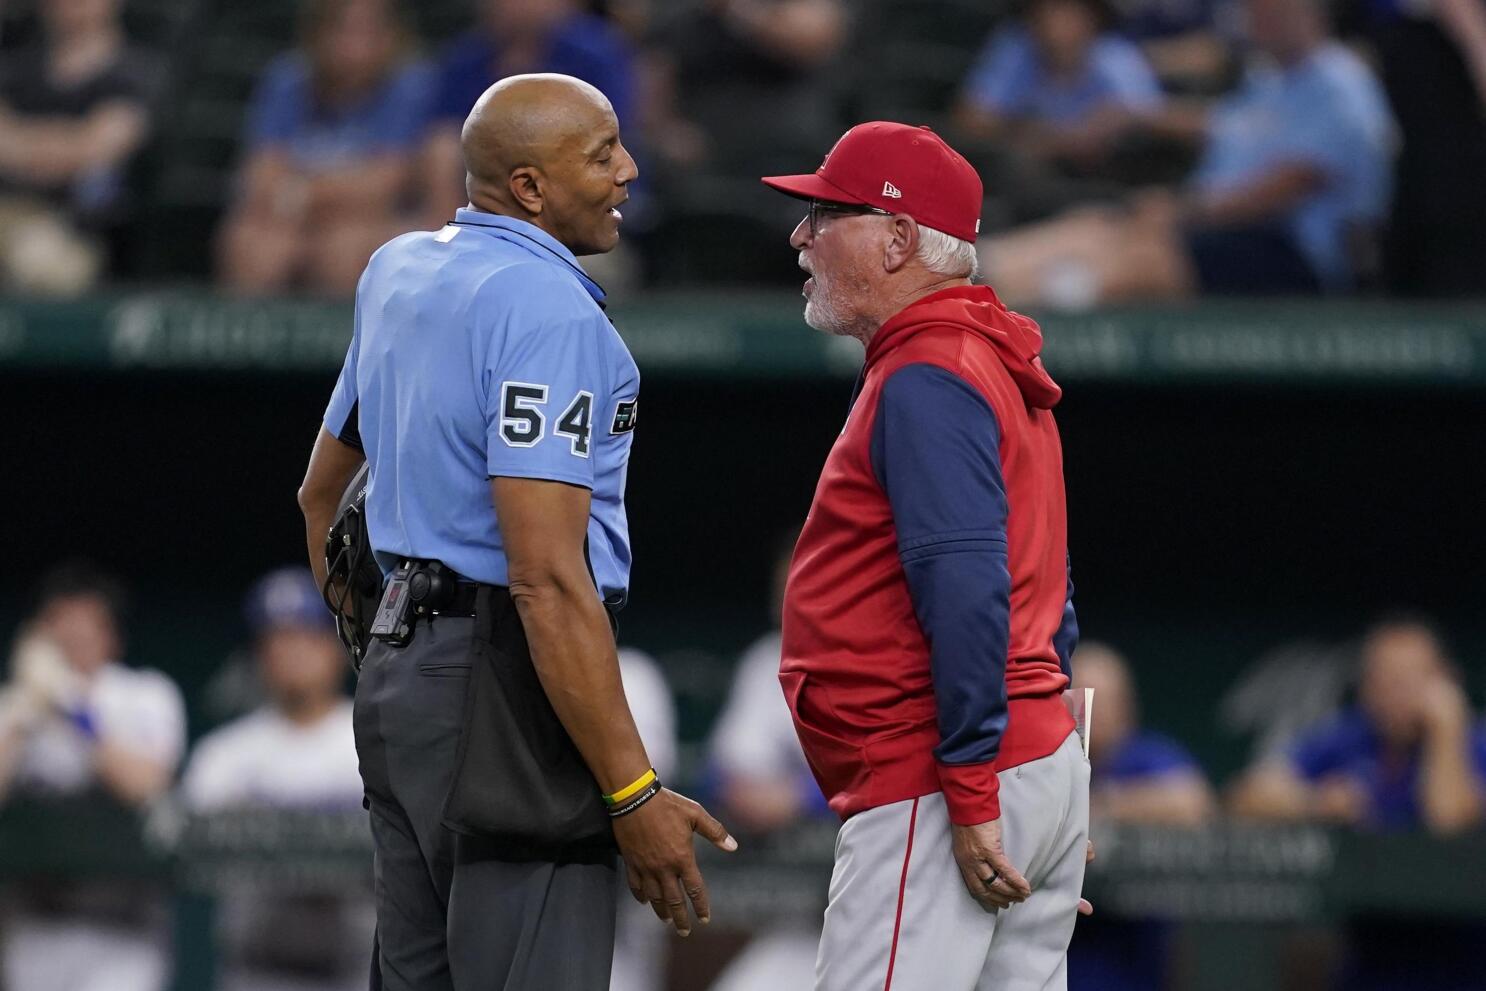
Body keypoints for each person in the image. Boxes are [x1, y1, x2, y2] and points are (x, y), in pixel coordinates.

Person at [296, 73, 734, 990]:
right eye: (602, 153)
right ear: (528, 186)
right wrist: (632, 789)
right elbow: (544, 575)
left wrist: (386, 651)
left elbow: (319, 495)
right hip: (506, 682)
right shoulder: (548, 308)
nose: (629, 170)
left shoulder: (398, 266)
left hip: (400, 680)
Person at [762, 120, 1090, 991]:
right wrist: (1044, 783)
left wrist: (982, 790)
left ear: (899, 237)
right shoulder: (986, 353)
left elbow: (968, 586)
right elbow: (1049, 584)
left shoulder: (931, 371)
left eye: (826, 213)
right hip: (1022, 754)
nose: (801, 236)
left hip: (941, 777)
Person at [980, 0, 1395, 306]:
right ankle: (975, 278)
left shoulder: (1340, 86)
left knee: (1149, 252)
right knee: (1097, 223)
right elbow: (1221, 124)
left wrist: (1181, 211)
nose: (1255, 15)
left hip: (1294, 258)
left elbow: (1283, 187)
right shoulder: (1269, 80)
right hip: (1227, 231)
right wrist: (1133, 115)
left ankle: (1028, 310)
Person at [1228, 616, 1486, 991]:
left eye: (1410, 678)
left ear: (1445, 680)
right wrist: (1316, 802)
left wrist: (1446, 728)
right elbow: (1246, 797)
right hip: (1372, 965)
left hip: (1462, 966)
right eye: (1383, 679)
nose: (1395, 692)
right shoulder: (1351, 738)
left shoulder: (1473, 742)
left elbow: (1448, 820)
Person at [180, 567, 369, 991]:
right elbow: (192, 855)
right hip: (256, 969)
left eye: (307, 634)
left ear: (336, 646)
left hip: (354, 969)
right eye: (277, 638)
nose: (291, 651)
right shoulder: (223, 754)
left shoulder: (373, 744)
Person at [0, 562, 185, 991]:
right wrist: (26, 710)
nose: (73, 638)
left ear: (111, 634)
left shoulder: (144, 694)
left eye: (87, 625)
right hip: (33, 921)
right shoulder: (17, 705)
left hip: (125, 925)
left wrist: (71, 710)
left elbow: (147, 786)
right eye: (60, 625)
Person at [216, 0, 435, 296]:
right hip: (293, 219)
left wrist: (301, 196)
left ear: (392, 35)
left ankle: (348, 343)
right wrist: (308, 207)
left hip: (373, 220)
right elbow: (262, 174)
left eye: (368, 30)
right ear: (317, 32)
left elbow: (383, 186)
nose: (353, 45)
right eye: (341, 28)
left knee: (344, 251)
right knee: (253, 245)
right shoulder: (287, 80)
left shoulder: (410, 86)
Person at [704, 530, 829, 991]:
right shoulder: (768, 661)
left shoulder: (889, 659)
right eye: (786, 586)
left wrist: (805, 797)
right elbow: (727, 777)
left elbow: (903, 767)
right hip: (810, 910)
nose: (790, 599)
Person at [1066, 642, 1214, 991]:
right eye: (1080, 696)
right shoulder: (1051, 763)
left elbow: (1195, 803)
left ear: (1126, 706)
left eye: (1102, 698)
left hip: (1130, 958)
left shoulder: (1144, 755)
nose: (1090, 710)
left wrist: (1107, 804)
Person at [419, 0, 636, 229]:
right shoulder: (467, 58)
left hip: (576, 188)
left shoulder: (596, 53)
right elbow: (438, 134)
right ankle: (450, 233)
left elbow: (611, 133)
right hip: (486, 185)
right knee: (442, 147)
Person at [0, 0, 159, 295]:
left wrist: (26, 142)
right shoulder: (16, 68)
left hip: (79, 230)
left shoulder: (134, 74)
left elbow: (96, 149)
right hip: (7, 211)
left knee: (40, 262)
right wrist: (66, 142)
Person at [956, 0, 1164, 174]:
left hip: (1103, 173)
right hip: (1026, 167)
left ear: (1092, 17)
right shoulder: (1016, 46)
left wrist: (1110, 122)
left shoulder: (1115, 56)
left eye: (1070, 11)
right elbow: (972, 119)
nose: (1056, 23)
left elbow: (1154, 117)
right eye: (1049, 10)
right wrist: (1047, 136)